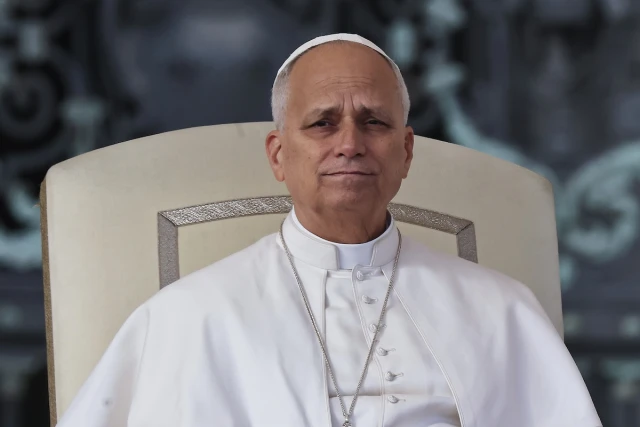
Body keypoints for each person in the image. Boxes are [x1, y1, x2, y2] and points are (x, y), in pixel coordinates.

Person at [55, 33, 601, 427]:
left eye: (374, 122)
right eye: (322, 123)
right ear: (278, 155)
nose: (350, 145)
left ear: (406, 152)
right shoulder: (188, 318)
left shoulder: (500, 310)